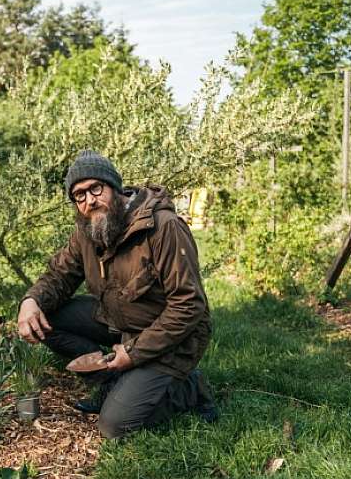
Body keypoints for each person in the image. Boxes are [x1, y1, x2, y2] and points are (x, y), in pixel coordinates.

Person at [17, 150, 217, 438]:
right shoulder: (88, 230)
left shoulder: (162, 227)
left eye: (95, 188)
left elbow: (188, 307)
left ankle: (187, 389)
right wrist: (31, 302)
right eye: (79, 195)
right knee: (45, 316)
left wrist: (133, 353)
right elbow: (59, 275)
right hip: (121, 322)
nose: (89, 200)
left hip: (174, 339)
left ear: (115, 186)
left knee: (115, 426)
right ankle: (115, 379)